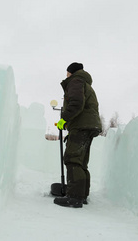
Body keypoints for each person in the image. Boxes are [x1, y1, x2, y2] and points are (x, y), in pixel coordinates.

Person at [54, 62, 102, 208]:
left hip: (81, 125)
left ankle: (74, 197)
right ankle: (82, 194)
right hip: (89, 125)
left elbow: (76, 103)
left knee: (73, 158)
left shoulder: (76, 81)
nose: (66, 75)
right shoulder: (86, 84)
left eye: (67, 72)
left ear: (71, 72)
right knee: (81, 161)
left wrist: (64, 119)